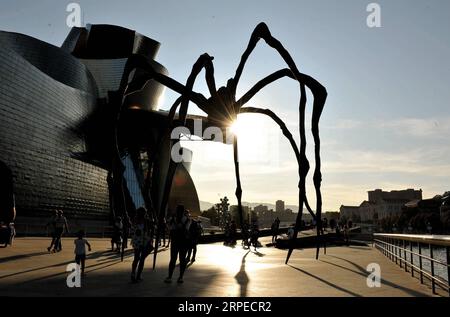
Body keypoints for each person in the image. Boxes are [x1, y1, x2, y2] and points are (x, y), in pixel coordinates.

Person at [165, 205, 190, 284]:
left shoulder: (176, 219)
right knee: (178, 260)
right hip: (180, 242)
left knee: (176, 260)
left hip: (178, 242)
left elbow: (170, 229)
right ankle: (177, 277)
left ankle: (173, 277)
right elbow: (170, 229)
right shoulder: (186, 220)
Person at [130, 207, 154, 283]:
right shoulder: (145, 221)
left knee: (136, 258)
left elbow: (132, 229)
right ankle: (138, 275)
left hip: (137, 241)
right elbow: (149, 230)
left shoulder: (135, 220)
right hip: (143, 241)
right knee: (141, 259)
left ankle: (133, 273)